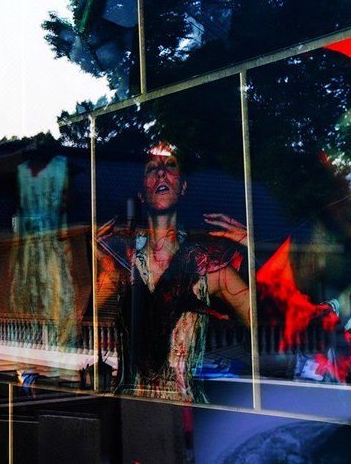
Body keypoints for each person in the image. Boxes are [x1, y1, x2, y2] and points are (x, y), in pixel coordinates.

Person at [96, 143, 250, 402]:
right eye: (151, 169)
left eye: (170, 166)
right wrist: (98, 259)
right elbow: (76, 323)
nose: (161, 173)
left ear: (183, 187)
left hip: (185, 411)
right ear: (141, 193)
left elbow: (260, 319)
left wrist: (250, 246)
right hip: (130, 409)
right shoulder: (123, 264)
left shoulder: (208, 267)